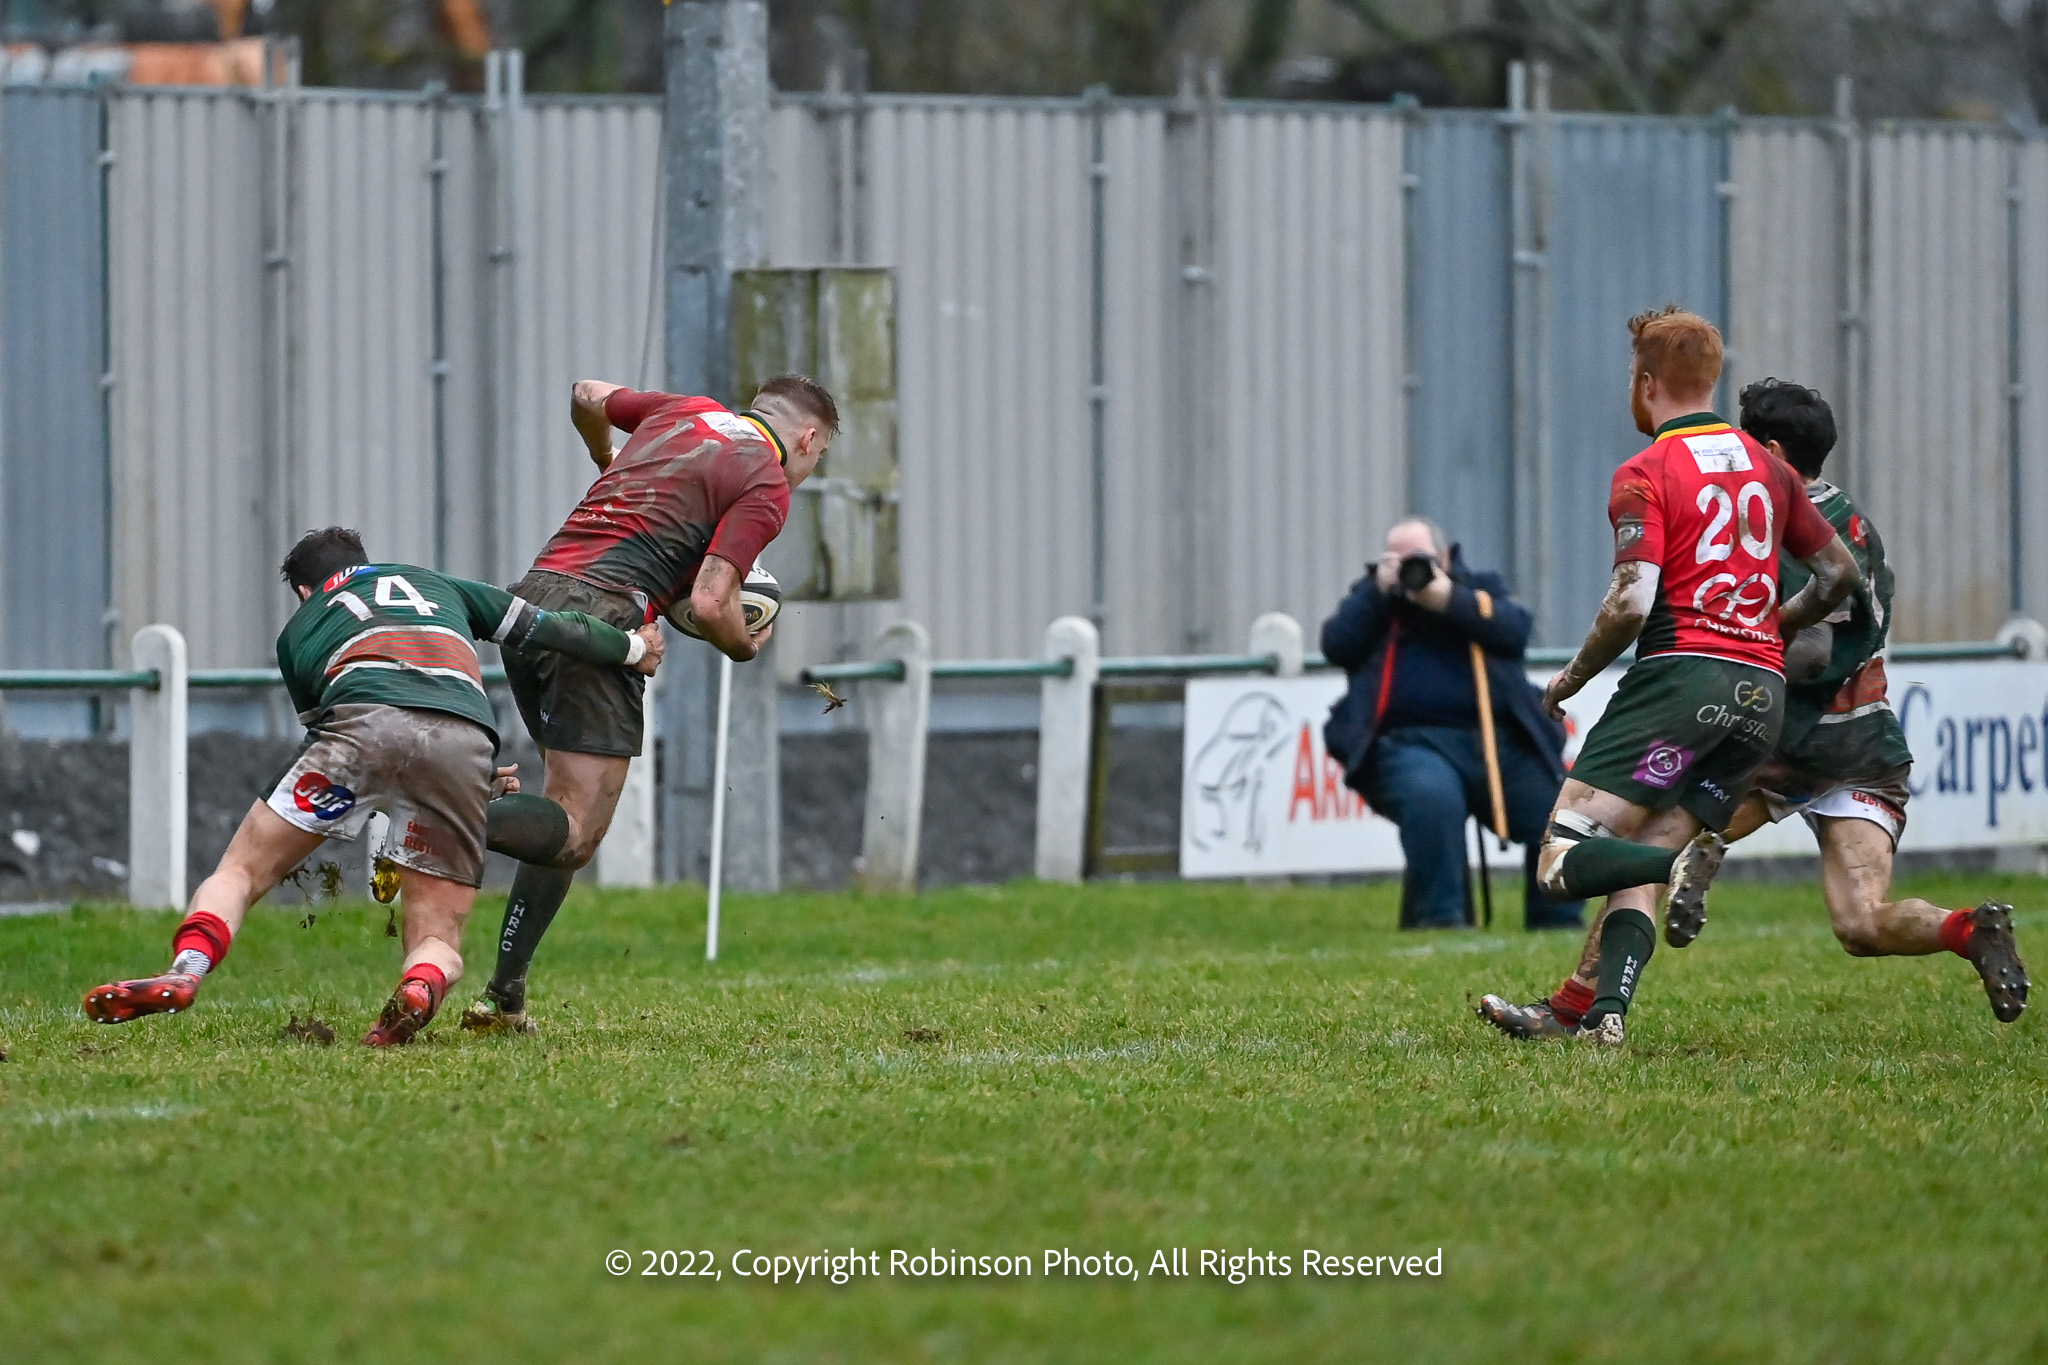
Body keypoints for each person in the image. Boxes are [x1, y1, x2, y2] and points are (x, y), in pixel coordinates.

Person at [1479, 379, 2028, 1037]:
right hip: (1864, 742)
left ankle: (1580, 1008)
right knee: (1860, 920)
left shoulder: (1771, 520)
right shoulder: (1854, 520)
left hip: (1780, 738)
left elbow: (1812, 649)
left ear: (1771, 451)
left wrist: (1739, 649)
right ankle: (1965, 929)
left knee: (1646, 850)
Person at [81, 527, 662, 1046]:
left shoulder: (299, 629)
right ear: (365, 562)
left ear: (304, 590)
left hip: (359, 727)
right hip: (464, 741)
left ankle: (185, 971)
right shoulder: (436, 585)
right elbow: (552, 629)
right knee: (438, 936)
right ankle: (419, 987)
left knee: (241, 872)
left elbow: (341, 735)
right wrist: (634, 648)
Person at [1473, 306, 1862, 1047]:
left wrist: (1570, 679)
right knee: (1637, 859)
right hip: (1761, 697)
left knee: (1559, 859)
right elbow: (1838, 574)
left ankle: (1680, 864)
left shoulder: (1646, 471)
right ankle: (1603, 1017)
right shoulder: (1770, 468)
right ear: (1711, 379)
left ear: (1646, 383)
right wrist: (1773, 625)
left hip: (1680, 683)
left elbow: (1631, 602)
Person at [461, 373, 837, 1035]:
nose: (810, 469)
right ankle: (438, 816)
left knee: (562, 818)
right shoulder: (766, 481)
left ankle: (504, 998)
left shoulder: (685, 411)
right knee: (574, 827)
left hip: (535, 599)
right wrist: (745, 646)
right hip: (602, 619)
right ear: (807, 439)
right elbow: (711, 603)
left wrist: (605, 457)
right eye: (821, 455)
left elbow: (585, 393)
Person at [1322, 518, 1584, 930]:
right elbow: (1336, 645)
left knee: (1558, 806)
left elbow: (1515, 630)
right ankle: (1441, 920)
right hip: (1406, 743)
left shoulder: (1476, 588)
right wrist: (1377, 591)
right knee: (1433, 798)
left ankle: (1557, 921)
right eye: (1397, 560)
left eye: (1418, 559)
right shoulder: (1376, 600)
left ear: (1443, 558)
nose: (1410, 570)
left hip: (1494, 739)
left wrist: (1448, 600)